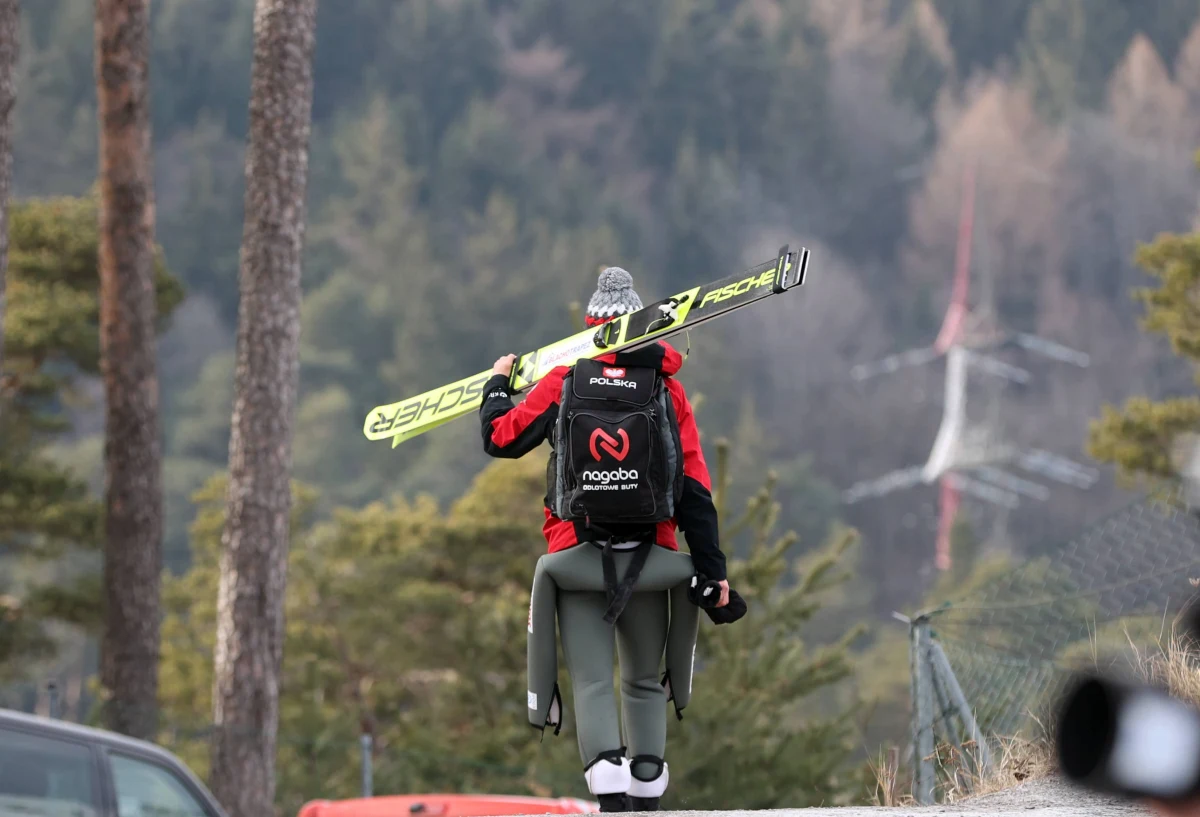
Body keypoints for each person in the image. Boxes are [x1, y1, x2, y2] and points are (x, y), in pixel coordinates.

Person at [479, 266, 738, 812]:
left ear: (592, 330)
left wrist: (498, 384)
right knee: (642, 681)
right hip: (652, 559)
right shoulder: (669, 391)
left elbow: (500, 438)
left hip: (576, 558)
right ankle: (647, 794)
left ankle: (610, 799)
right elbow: (694, 490)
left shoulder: (563, 383)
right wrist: (712, 570)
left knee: (594, 682)